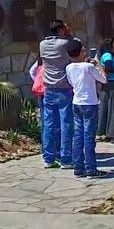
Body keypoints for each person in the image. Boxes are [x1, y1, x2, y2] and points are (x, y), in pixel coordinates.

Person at [65, 39, 108, 178]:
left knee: (78, 136)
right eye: (83, 49)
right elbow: (104, 79)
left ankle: (78, 167)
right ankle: (91, 169)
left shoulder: (69, 67)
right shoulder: (88, 67)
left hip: (76, 103)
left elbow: (71, 83)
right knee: (89, 137)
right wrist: (98, 64)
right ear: (79, 52)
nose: (85, 51)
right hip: (89, 104)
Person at [38, 20, 77, 169]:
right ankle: (66, 158)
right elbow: (75, 48)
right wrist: (69, 33)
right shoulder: (64, 43)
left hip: (48, 88)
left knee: (49, 123)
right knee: (66, 123)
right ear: (60, 30)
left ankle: (48, 158)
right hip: (64, 88)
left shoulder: (42, 44)